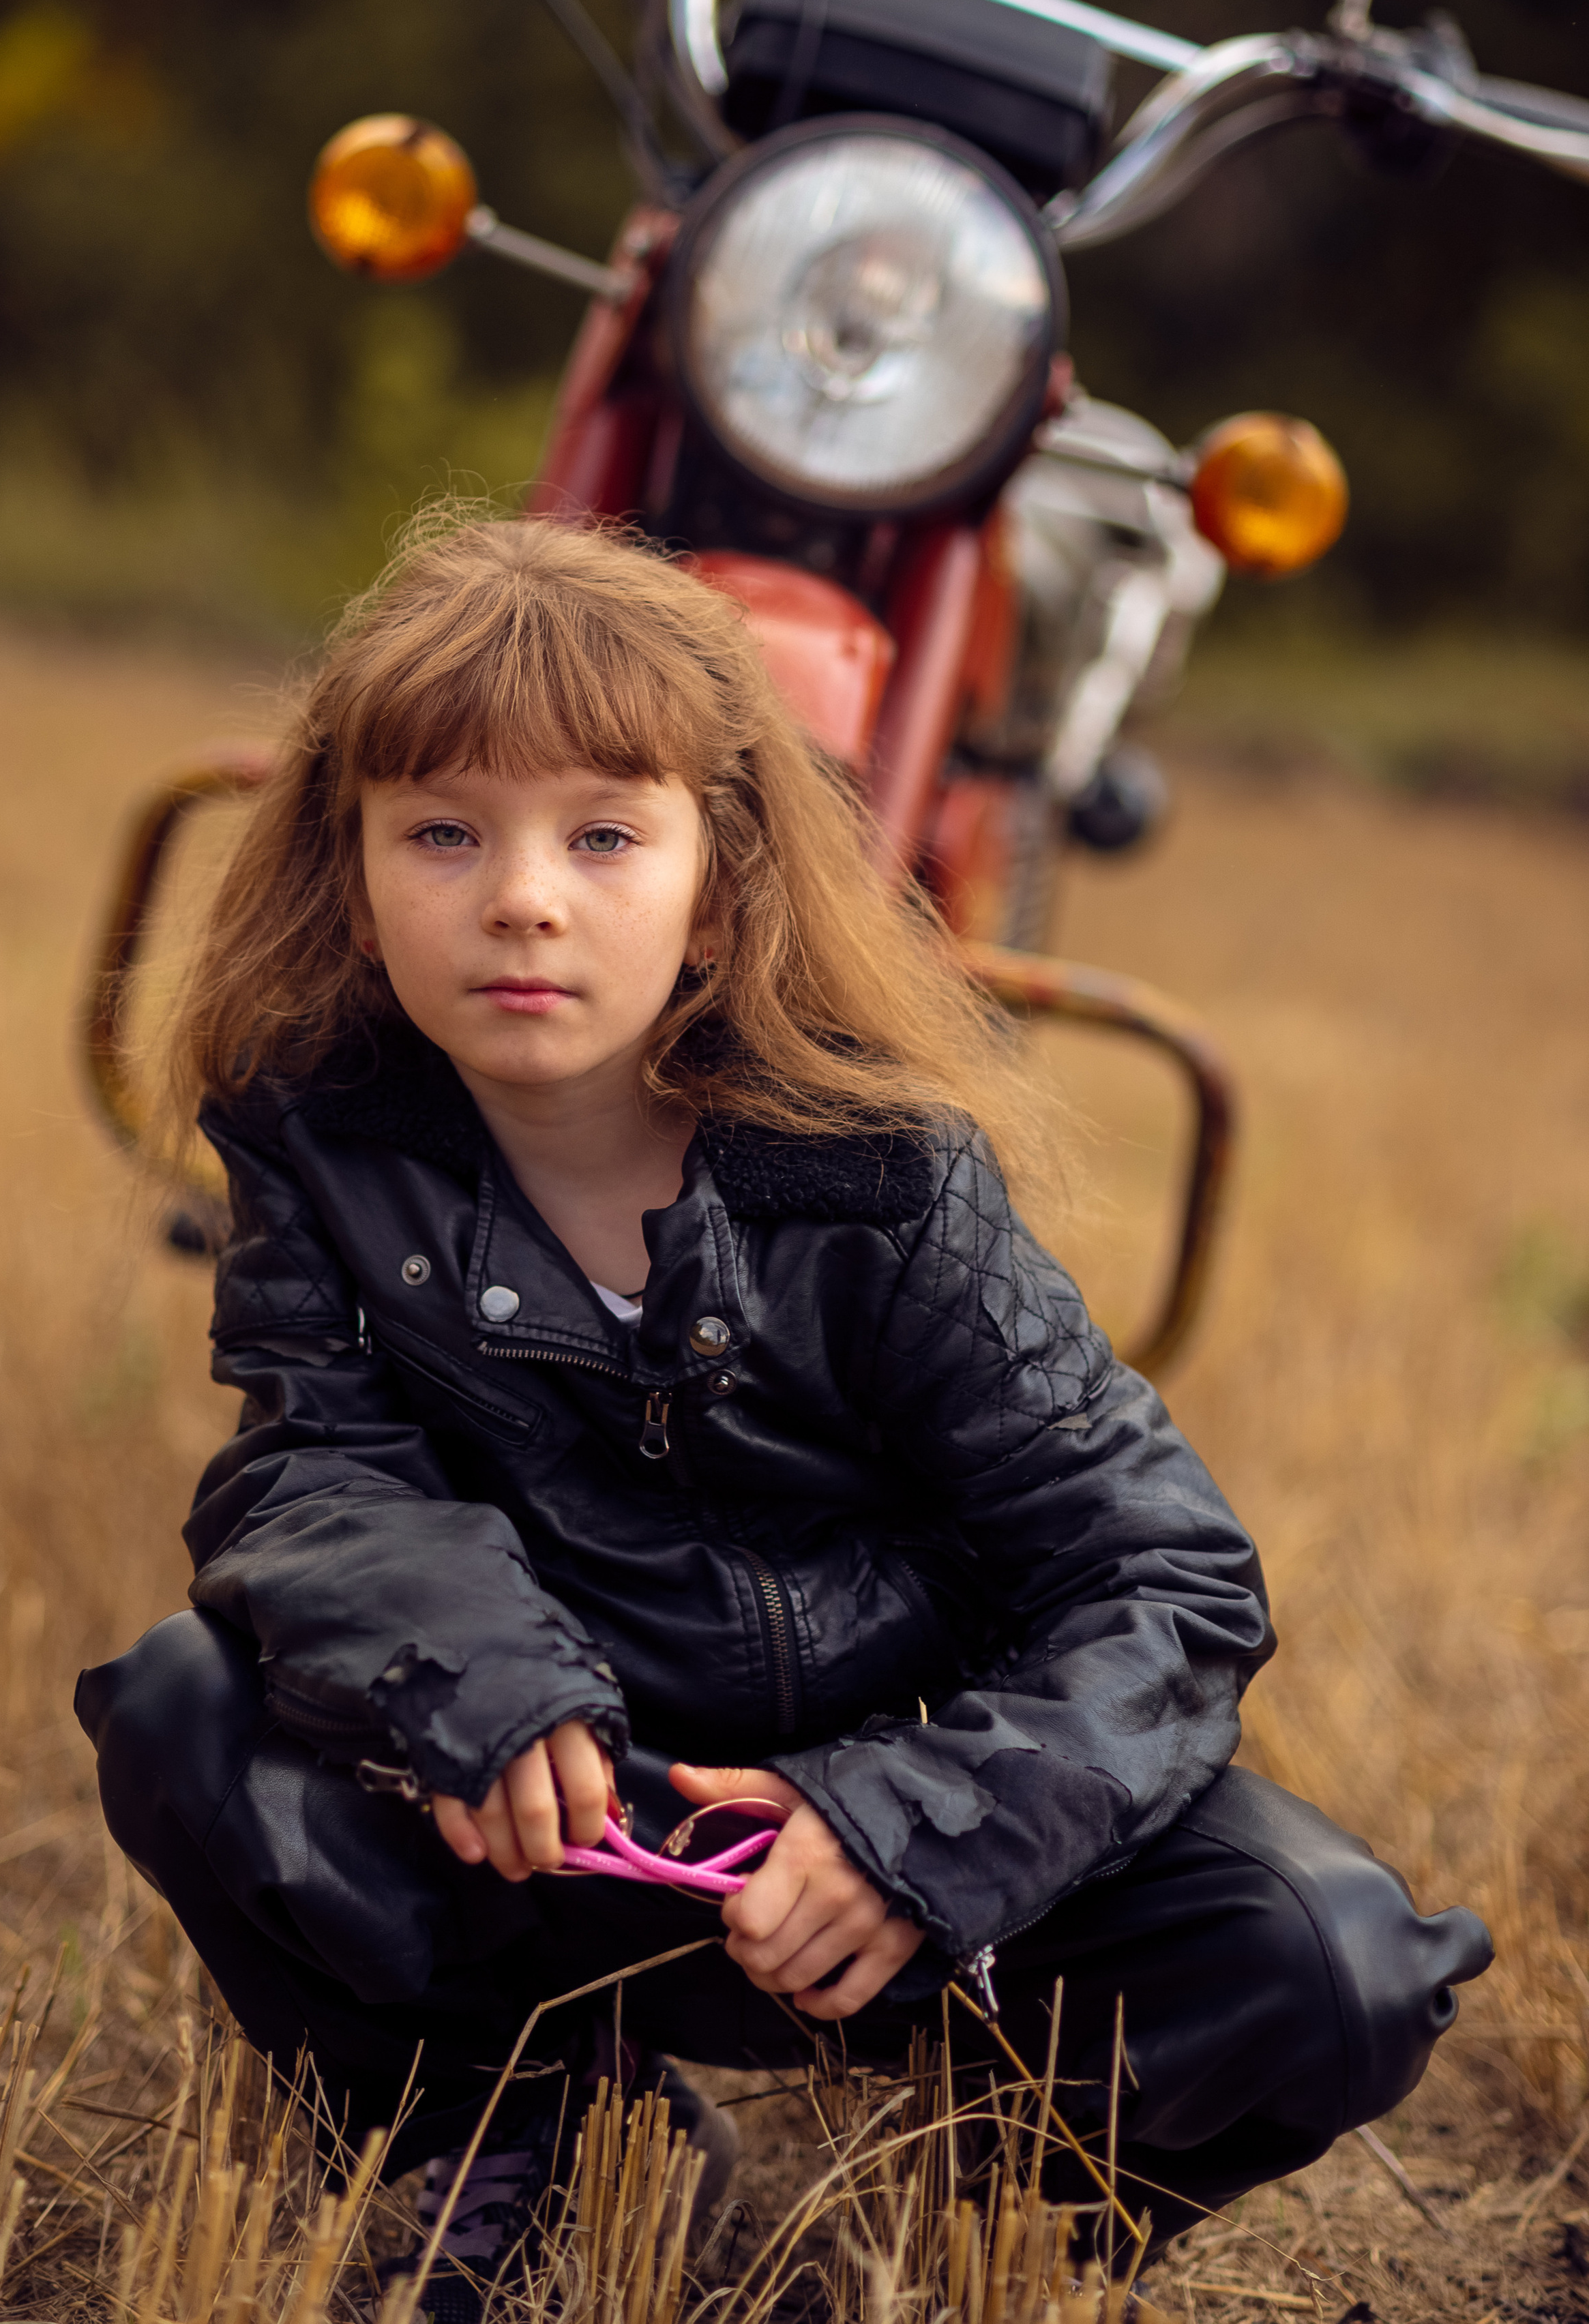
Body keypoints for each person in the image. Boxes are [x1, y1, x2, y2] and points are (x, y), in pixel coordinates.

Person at [77, 515, 1489, 2287]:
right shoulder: (322, 1138)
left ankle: (992, 2206)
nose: (522, 893)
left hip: (914, 1853)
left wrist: (910, 1824)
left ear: (718, 883)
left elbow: (1170, 1583)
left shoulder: (883, 1179)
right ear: (350, 865)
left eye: (603, 834)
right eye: (443, 829)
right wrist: (483, 1684)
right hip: (561, 1824)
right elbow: (306, 1480)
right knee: (187, 1707)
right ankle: (531, 2132)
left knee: (1326, 1955)